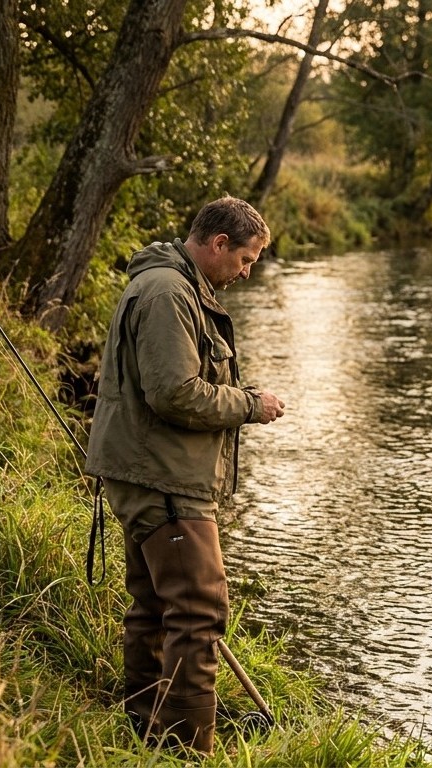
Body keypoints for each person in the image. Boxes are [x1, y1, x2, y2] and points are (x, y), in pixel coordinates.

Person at [84, 196, 286, 754]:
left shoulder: (174, 286)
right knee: (198, 611)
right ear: (219, 243)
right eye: (245, 260)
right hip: (164, 480)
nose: (246, 273)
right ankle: (189, 748)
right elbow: (174, 393)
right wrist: (251, 404)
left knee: (155, 606)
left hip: (151, 472)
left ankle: (146, 731)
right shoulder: (169, 293)